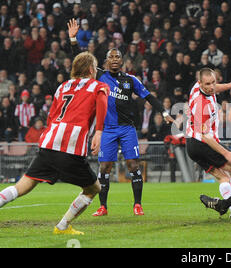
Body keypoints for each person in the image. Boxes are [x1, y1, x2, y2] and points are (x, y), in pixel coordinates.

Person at [67, 19, 174, 217]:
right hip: (106, 129)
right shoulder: (99, 76)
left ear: (122, 61)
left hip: (126, 129)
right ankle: (103, 207)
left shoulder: (131, 80)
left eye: (118, 57)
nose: (115, 59)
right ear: (106, 61)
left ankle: (138, 204)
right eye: (111, 57)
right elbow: (80, 60)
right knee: (104, 167)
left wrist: (165, 112)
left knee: (133, 165)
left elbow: (149, 96)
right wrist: (73, 38)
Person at [0, 51, 109, 235]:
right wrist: (99, 131)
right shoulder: (98, 86)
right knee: (93, 188)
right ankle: (62, 226)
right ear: (91, 69)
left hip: (49, 143)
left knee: (23, 186)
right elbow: (102, 104)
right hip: (70, 147)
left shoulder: (63, 86)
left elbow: (51, 116)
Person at [186, 68, 231, 219]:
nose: (211, 87)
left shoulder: (197, 88)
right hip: (202, 143)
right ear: (200, 83)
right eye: (207, 84)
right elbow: (205, 136)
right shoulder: (201, 105)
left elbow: (216, 88)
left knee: (223, 177)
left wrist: (230, 85)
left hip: (192, 145)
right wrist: (226, 153)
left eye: (213, 82)